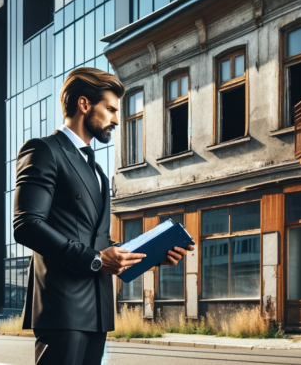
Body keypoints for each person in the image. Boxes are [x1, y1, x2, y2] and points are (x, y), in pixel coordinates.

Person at [13, 67, 193, 364]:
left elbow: (99, 240)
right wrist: (95, 259)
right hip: (62, 309)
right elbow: (27, 225)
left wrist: (152, 255)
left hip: (97, 311)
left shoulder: (97, 171)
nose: (116, 119)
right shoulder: (44, 150)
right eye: (109, 109)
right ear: (84, 104)